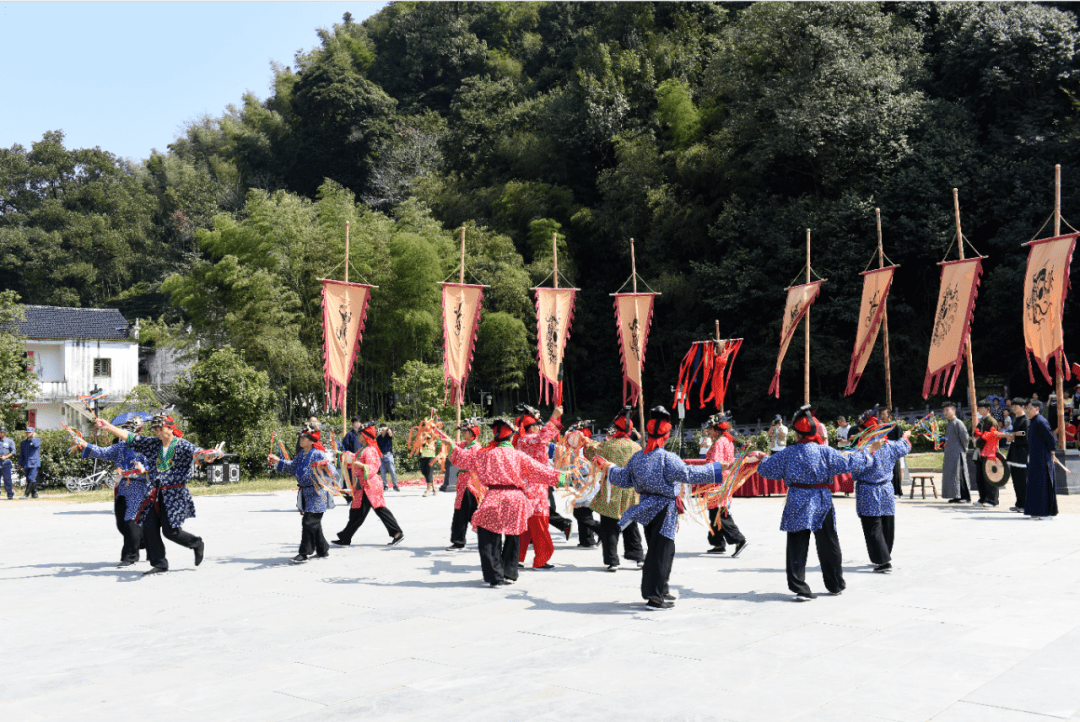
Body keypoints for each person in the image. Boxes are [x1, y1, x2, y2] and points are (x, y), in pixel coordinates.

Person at [593, 407, 723, 610]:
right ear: (667, 435)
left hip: (646, 508)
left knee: (662, 550)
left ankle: (661, 589)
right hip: (664, 509)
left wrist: (608, 467)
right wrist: (717, 469)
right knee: (660, 552)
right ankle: (654, 597)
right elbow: (688, 474)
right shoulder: (666, 458)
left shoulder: (638, 457)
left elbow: (623, 479)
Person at [756, 405, 876, 601]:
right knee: (828, 541)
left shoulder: (789, 452)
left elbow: (766, 470)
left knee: (797, 543)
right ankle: (835, 584)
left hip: (797, 498)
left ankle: (800, 587)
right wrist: (868, 451)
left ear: (797, 433)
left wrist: (763, 458)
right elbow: (849, 463)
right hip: (821, 498)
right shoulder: (825, 451)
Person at [438, 417, 565, 587]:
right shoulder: (519, 455)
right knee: (513, 536)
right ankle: (509, 572)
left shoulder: (485, 454)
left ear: (495, 433)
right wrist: (564, 478)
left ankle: (495, 575)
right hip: (517, 499)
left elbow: (464, 460)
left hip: (495, 497)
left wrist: (450, 446)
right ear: (511, 435)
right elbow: (541, 471)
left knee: (488, 534)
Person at [94, 413, 217, 575]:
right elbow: (130, 437)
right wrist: (108, 426)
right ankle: (159, 563)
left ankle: (196, 543)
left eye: (161, 429)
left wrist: (209, 455)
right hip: (153, 492)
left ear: (171, 428)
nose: (158, 433)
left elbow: (199, 453)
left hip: (174, 493)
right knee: (149, 527)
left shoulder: (182, 445)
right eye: (155, 429)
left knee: (170, 531)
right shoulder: (153, 444)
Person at [75, 420, 151, 567]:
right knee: (121, 523)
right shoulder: (120, 446)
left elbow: (155, 467)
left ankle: (129, 556)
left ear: (138, 432)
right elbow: (103, 452)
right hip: (122, 486)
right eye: (123, 431)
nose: (123, 434)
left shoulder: (146, 447)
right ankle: (145, 541)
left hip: (138, 486)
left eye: (128, 431)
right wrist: (84, 444)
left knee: (130, 520)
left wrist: (144, 470)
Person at [582, 411, 645, 572]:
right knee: (631, 525)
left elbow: (589, 452)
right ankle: (638, 557)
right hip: (631, 490)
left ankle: (612, 561)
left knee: (609, 526)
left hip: (611, 490)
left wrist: (585, 439)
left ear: (615, 429)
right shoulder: (637, 447)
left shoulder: (608, 446)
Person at [269, 423, 336, 563]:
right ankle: (323, 549)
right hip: (305, 492)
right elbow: (292, 467)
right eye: (301, 438)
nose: (301, 440)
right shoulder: (301, 454)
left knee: (309, 522)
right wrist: (277, 460)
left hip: (317, 493)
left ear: (311, 441)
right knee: (314, 523)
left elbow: (332, 471)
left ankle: (304, 553)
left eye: (304, 438)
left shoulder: (318, 453)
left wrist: (324, 469)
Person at [513, 405, 568, 569]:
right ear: (532, 427)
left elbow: (545, 436)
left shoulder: (521, 440)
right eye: (538, 424)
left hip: (528, 487)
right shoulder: (529, 440)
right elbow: (544, 436)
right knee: (540, 524)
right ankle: (541, 558)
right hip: (535, 489)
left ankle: (516, 557)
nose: (540, 427)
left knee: (526, 527)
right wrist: (555, 415)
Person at [852, 422, 911, 574]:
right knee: (887, 524)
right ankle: (885, 554)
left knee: (873, 527)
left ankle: (883, 561)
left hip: (868, 491)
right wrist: (905, 437)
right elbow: (905, 446)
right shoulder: (890, 445)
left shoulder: (865, 450)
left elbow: (855, 472)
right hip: (886, 489)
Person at [334, 422, 405, 547]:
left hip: (370, 486)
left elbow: (372, 468)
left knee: (377, 510)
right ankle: (345, 537)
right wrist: (340, 454)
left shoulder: (370, 450)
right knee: (357, 511)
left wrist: (360, 465)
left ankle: (397, 533)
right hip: (364, 486)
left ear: (365, 436)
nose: (358, 437)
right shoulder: (363, 449)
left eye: (360, 435)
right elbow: (353, 458)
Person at [701, 414, 748, 558]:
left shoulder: (719, 443)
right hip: (724, 479)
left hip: (718, 480)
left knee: (720, 512)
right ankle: (717, 542)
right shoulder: (727, 440)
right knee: (715, 511)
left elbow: (715, 463)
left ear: (716, 429)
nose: (708, 431)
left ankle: (738, 539)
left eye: (710, 428)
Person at [447, 419, 484, 551]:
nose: (462, 433)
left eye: (465, 430)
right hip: (463, 482)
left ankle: (459, 541)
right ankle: (488, 535)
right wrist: (440, 438)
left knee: (462, 512)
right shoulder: (464, 445)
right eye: (462, 430)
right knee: (468, 512)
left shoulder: (476, 447)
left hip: (471, 482)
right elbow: (453, 446)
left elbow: (464, 458)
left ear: (472, 432)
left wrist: (451, 445)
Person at [1024, 399, 1059, 520]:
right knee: (1035, 485)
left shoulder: (1041, 421)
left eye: (1029, 408)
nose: (1027, 411)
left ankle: (1046, 513)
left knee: (1044, 485)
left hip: (1043, 458)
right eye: (1026, 408)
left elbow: (1051, 439)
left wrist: (1052, 454)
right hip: (1035, 458)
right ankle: (1036, 511)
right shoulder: (1033, 421)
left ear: (1036, 409)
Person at [972, 400, 1003, 508]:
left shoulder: (991, 421)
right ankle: (983, 498)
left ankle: (993, 500)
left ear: (988, 409)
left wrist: (976, 441)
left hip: (990, 452)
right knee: (981, 476)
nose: (979, 410)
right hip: (981, 452)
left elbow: (991, 437)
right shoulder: (982, 420)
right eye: (979, 408)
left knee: (990, 476)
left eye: (981, 408)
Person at [941, 402, 972, 504]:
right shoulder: (948, 424)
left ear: (953, 411)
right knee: (952, 475)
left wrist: (965, 449)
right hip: (949, 454)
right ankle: (956, 496)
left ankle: (965, 497)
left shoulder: (958, 423)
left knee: (960, 475)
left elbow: (965, 437)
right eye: (944, 411)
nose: (945, 412)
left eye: (947, 410)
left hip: (958, 453)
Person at [1005, 398, 1029, 513]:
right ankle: (1019, 503)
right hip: (1014, 453)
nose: (1013, 408)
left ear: (1023, 407)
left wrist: (1013, 435)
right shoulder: (1016, 419)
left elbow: (1025, 436)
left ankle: (1025, 504)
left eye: (1016, 406)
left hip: (1022, 454)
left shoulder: (1026, 420)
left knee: (1022, 481)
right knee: (1015, 480)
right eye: (1012, 406)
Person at [879, 408, 907, 498]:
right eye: (881, 414)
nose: (882, 416)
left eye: (884, 414)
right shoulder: (882, 427)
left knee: (895, 472)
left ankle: (897, 492)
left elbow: (900, 440)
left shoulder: (896, 426)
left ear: (889, 416)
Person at [18, 427, 41, 498]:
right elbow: (21, 454)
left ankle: (26, 494)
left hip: (34, 463)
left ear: (33, 433)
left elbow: (36, 445)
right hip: (27, 463)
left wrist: (33, 437)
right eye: (27, 432)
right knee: (29, 479)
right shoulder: (23, 443)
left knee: (31, 478)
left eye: (29, 432)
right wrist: (20, 463)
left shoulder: (37, 440)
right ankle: (35, 494)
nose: (27, 433)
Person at [376, 425, 400, 492]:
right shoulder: (378, 438)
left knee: (392, 470)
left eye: (382, 429)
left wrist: (386, 428)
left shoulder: (388, 435)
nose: (382, 430)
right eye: (381, 429)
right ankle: (385, 485)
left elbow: (390, 433)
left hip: (388, 454)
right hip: (381, 455)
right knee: (382, 471)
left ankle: (395, 485)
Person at [0, 427, 15, 499]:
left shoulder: (9, 441)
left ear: (5, 433)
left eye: (1, 432)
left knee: (7, 480)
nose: (0, 433)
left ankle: (10, 494)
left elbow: (13, 452)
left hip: (6, 463)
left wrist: (5, 457)